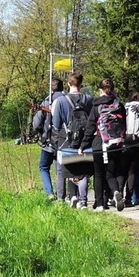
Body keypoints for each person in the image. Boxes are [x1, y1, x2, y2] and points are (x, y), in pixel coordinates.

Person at [79, 79, 129, 212]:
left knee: (99, 174)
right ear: (112, 89)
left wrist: (83, 145)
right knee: (111, 172)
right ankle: (116, 192)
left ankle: (100, 204)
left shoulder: (96, 106)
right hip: (116, 142)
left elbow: (90, 127)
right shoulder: (119, 104)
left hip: (99, 143)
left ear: (100, 90)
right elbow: (125, 124)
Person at [51, 72, 92, 208]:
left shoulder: (61, 101)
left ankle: (61, 200)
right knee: (83, 172)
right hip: (85, 142)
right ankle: (83, 201)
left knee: (62, 170)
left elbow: (56, 124)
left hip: (66, 142)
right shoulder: (89, 100)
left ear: (68, 84)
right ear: (81, 84)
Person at [32, 78, 65, 200]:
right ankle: (62, 195)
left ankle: (49, 193)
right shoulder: (67, 101)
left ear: (52, 88)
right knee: (60, 170)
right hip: (63, 142)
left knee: (44, 167)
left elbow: (36, 123)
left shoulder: (47, 102)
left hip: (49, 142)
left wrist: (40, 132)